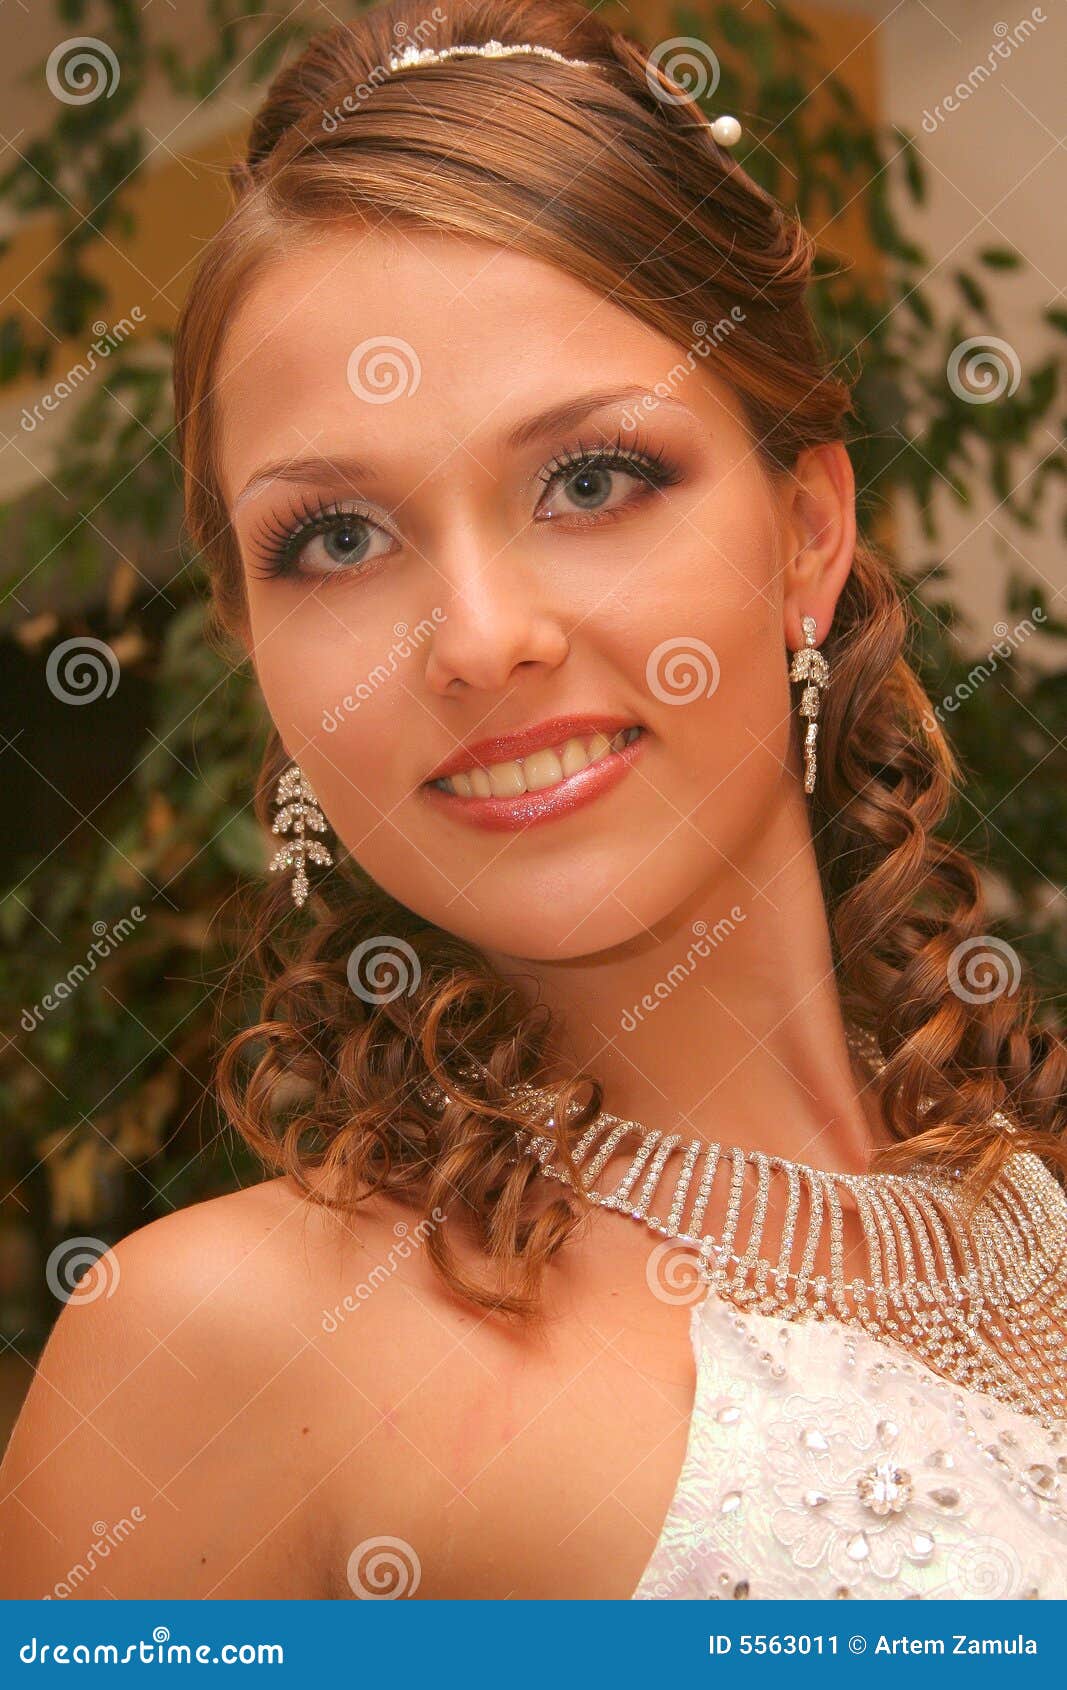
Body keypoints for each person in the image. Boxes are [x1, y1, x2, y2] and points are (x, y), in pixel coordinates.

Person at [2, 0, 1065, 1602]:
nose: (481, 639)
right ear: (255, 653)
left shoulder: (1033, 1197)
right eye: (338, 539)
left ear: (806, 534)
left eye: (590, 480)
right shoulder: (216, 1354)